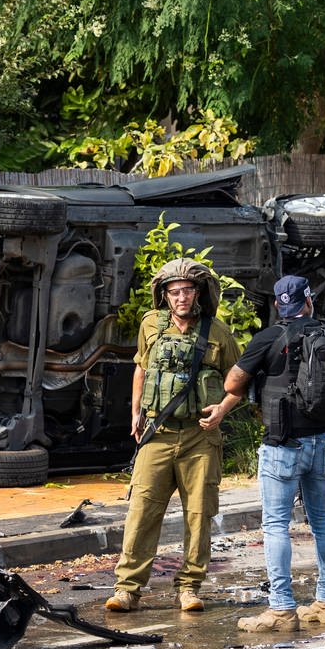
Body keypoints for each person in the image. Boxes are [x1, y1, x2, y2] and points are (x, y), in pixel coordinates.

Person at [105, 258, 243, 614]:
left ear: (198, 293)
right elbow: (141, 367)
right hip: (157, 432)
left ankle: (189, 587)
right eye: (174, 292)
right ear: (165, 296)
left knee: (199, 515)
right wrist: (135, 413)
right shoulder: (151, 324)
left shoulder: (218, 332)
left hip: (200, 437)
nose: (181, 298)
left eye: (187, 291)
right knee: (141, 511)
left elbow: (240, 382)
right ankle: (128, 590)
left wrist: (222, 409)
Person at [222, 274, 325, 632]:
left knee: (276, 525)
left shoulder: (269, 337)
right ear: (309, 302)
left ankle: (281, 608)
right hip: (324, 440)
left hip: (283, 445)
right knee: (323, 522)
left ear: (279, 305)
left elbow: (232, 383)